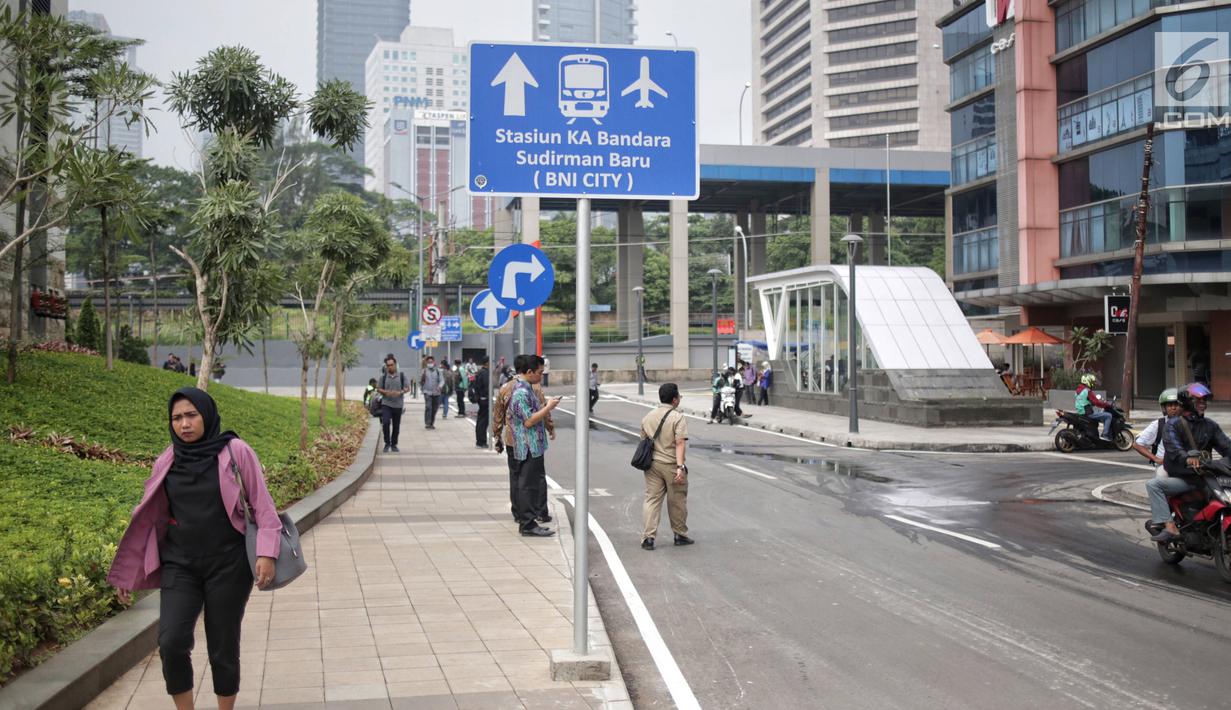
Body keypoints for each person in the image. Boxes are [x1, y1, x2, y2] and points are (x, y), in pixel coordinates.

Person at [108, 387, 281, 709]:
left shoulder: (236, 451)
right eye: (176, 418)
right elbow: (148, 519)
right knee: (171, 642)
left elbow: (262, 505)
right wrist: (126, 574)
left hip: (228, 565)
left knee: (223, 645)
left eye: (191, 415)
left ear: (207, 415)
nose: (184, 424)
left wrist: (267, 553)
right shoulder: (167, 458)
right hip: (180, 564)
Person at [1148, 383, 1231, 542]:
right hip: (1185, 477)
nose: (1203, 403)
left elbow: (1226, 446)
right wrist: (1187, 458)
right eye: (1198, 400)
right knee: (1153, 485)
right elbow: (1174, 449)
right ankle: (1170, 527)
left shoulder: (1210, 426)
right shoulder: (1173, 425)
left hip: (1207, 476)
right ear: (1187, 402)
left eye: (1204, 400)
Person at [495, 355, 556, 523]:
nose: (541, 376)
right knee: (529, 481)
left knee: (519, 480)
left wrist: (497, 435)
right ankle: (531, 517)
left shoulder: (509, 388)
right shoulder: (524, 391)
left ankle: (521, 514)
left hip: (514, 440)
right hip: (526, 443)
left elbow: (498, 415)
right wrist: (549, 414)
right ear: (529, 371)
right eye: (540, 372)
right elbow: (530, 419)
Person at [640, 383, 693, 550]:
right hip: (671, 465)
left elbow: (644, 439)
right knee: (676, 500)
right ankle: (679, 534)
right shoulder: (677, 417)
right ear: (675, 399)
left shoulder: (648, 416)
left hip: (652, 465)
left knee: (652, 500)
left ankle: (648, 538)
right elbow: (679, 443)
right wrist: (680, 467)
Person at [1132, 388, 1182, 471]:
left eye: (1176, 405)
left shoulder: (1189, 422)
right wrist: (1156, 459)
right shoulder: (1158, 424)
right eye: (1169, 405)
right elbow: (1137, 444)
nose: (1173, 408)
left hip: (1185, 467)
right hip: (1165, 467)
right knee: (1155, 483)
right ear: (1164, 408)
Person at [377, 355, 409, 452]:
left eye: (391, 365)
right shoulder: (383, 377)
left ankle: (394, 444)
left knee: (396, 425)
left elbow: (407, 388)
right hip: (386, 403)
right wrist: (385, 392)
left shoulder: (402, 376)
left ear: (395, 365)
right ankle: (387, 443)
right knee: (385, 423)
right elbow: (378, 388)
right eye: (388, 365)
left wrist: (400, 392)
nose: (390, 367)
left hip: (398, 404)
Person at [1074, 373, 1113, 441]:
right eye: (1092, 382)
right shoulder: (1087, 391)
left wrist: (1091, 403)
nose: (1093, 384)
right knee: (1108, 416)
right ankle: (1105, 435)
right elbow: (1096, 402)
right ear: (1087, 381)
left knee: (1099, 413)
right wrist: (1106, 405)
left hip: (1081, 412)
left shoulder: (1078, 391)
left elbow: (1084, 401)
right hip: (1088, 413)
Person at [420, 356, 443, 429]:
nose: (430, 363)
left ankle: (431, 423)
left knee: (434, 408)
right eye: (428, 362)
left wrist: (440, 386)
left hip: (436, 392)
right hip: (427, 392)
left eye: (431, 362)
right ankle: (427, 423)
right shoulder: (424, 371)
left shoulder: (438, 371)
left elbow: (442, 380)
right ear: (427, 363)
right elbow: (421, 381)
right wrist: (422, 387)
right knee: (428, 407)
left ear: (434, 362)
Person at [474, 356, 491, 449]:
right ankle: (481, 441)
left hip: (481, 399)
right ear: (486, 363)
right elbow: (486, 386)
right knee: (483, 422)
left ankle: (480, 441)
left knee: (481, 420)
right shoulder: (484, 373)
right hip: (485, 399)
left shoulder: (481, 372)